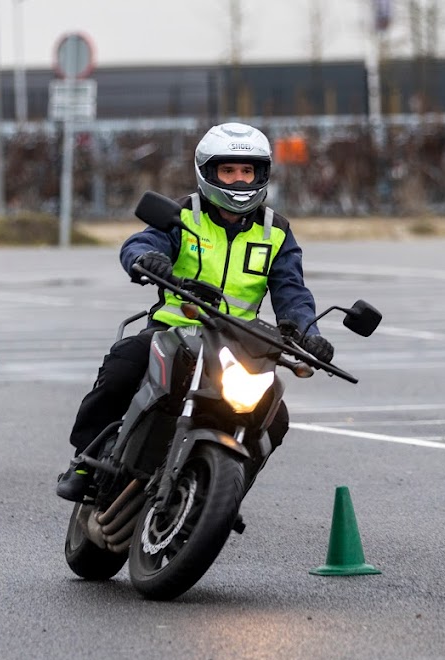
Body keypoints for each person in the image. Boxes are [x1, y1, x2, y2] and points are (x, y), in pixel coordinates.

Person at [56, 122, 333, 501]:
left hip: (237, 343)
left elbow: (292, 291)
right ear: (208, 172)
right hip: (173, 331)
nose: (239, 180)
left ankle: (224, 491)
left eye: (247, 171)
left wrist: (308, 333)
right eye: (229, 170)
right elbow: (141, 242)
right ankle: (85, 460)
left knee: (275, 415)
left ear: (262, 173)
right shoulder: (184, 216)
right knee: (124, 363)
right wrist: (147, 259)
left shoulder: (276, 232)